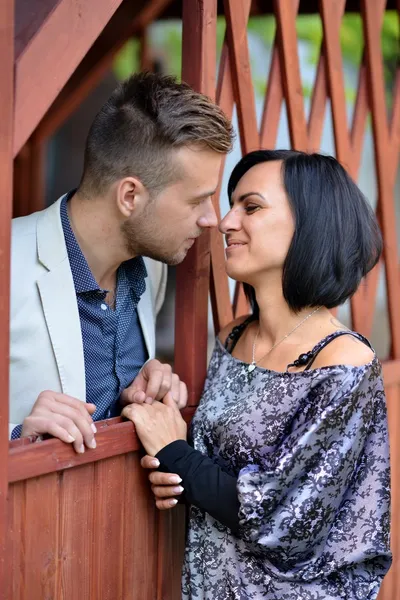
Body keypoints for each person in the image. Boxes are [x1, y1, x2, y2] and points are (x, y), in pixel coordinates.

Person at [123, 150, 392, 599]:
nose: (225, 222)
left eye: (251, 206)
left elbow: (287, 519)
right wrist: (173, 470)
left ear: (311, 223)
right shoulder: (233, 339)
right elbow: (214, 466)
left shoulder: (343, 363)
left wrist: (176, 453)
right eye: (231, 206)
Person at [9, 72, 233, 453]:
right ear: (130, 196)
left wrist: (138, 392)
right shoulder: (6, 263)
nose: (212, 219)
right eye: (197, 200)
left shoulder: (153, 267)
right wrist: (14, 435)